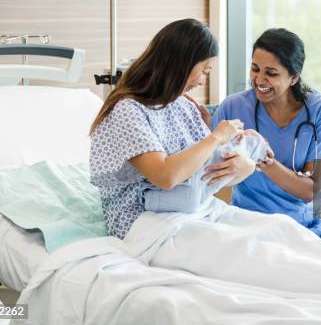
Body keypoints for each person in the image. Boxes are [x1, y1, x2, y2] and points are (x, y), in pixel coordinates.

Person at [89, 18, 257, 239]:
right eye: (205, 71)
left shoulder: (184, 106)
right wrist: (216, 137)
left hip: (194, 211)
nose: (203, 82)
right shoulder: (128, 110)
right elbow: (165, 176)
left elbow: (206, 177)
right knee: (248, 250)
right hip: (145, 221)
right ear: (182, 63)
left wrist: (245, 167)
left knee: (279, 230)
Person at [209, 28, 321, 259]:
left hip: (310, 223)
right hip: (250, 223)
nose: (259, 80)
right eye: (255, 69)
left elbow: (311, 190)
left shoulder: (320, 112)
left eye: (271, 73)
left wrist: (262, 158)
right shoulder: (233, 107)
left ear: (294, 77)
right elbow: (211, 171)